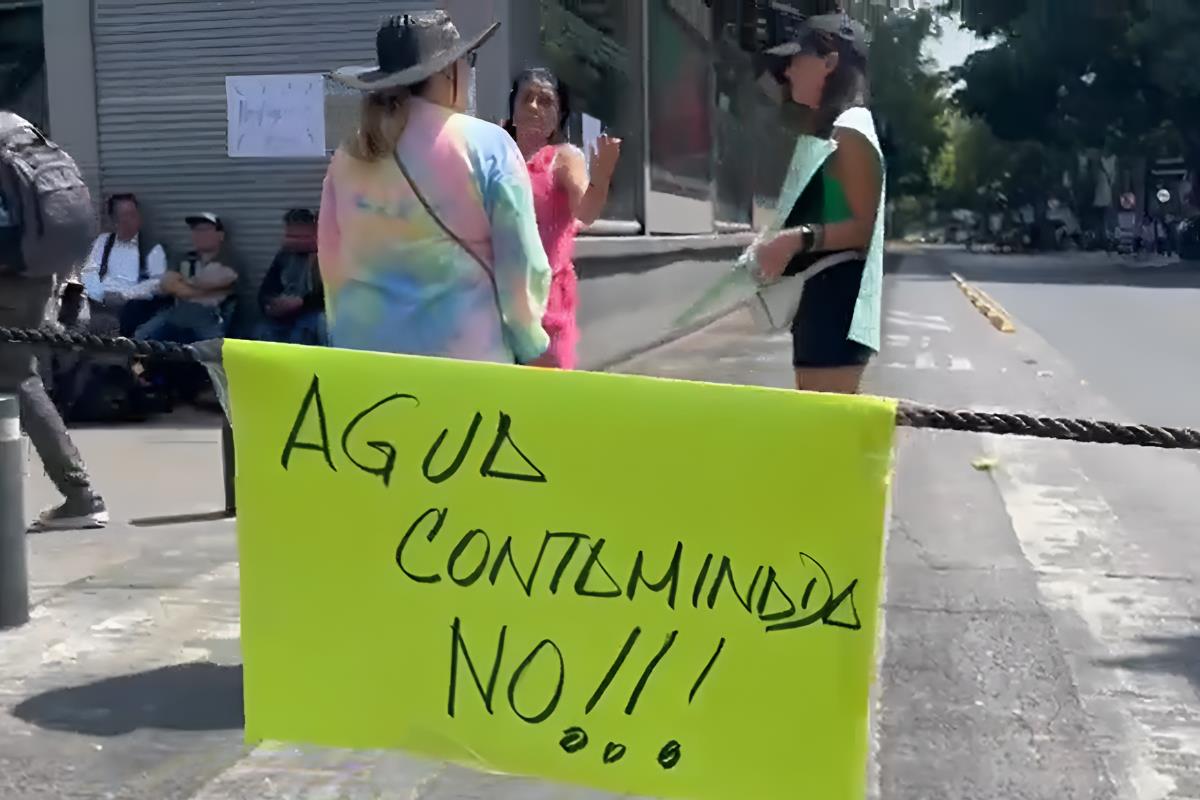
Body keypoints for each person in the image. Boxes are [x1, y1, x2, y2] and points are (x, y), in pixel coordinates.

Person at [319, 12, 551, 365]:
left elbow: (333, 265)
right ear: (448, 71)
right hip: (462, 362)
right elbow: (520, 264)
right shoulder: (488, 145)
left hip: (365, 362)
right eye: (467, 61)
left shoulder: (348, 155)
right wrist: (529, 340)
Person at [749, 13, 885, 395]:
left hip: (836, 300)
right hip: (823, 298)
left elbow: (862, 227)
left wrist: (796, 239)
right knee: (822, 423)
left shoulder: (852, 127)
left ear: (830, 62)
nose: (788, 71)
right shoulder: (834, 129)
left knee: (828, 427)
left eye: (797, 58)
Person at [0, 111, 107, 529]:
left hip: (9, 278)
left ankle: (80, 494)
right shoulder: (17, 126)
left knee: (15, 379)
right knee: (18, 376)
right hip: (36, 270)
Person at [503, 68, 621, 370]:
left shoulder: (564, 157)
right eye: (526, 98)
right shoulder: (498, 153)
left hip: (545, 308)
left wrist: (602, 177)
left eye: (545, 101)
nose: (533, 107)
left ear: (560, 114)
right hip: (496, 302)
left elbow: (586, 212)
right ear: (513, 107)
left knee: (543, 403)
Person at [136, 212, 238, 344]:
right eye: (195, 230)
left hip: (208, 323)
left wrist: (183, 284)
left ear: (220, 235)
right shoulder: (183, 258)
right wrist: (200, 290)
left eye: (205, 230)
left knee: (208, 356)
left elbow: (211, 282)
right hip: (175, 318)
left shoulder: (229, 261)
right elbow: (166, 284)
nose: (199, 235)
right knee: (140, 340)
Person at [79, 193, 168, 336]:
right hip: (99, 302)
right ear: (114, 220)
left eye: (133, 214)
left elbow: (158, 283)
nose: (129, 220)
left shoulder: (152, 247)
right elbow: (89, 272)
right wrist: (99, 294)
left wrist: (125, 295)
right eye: (123, 215)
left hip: (130, 305)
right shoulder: (103, 242)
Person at [256, 208, 326, 345]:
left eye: (301, 237)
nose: (294, 242)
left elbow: (331, 295)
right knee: (261, 331)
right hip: (284, 313)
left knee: (307, 331)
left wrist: (301, 303)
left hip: (312, 312)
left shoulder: (329, 257)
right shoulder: (285, 255)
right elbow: (266, 289)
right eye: (290, 236)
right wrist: (270, 304)